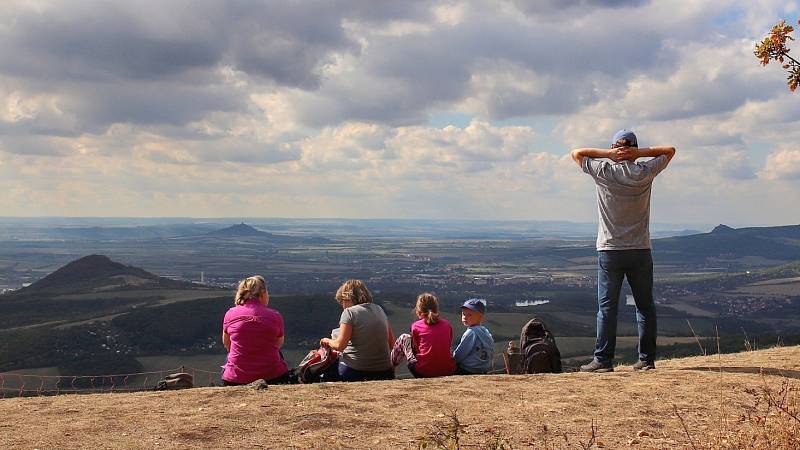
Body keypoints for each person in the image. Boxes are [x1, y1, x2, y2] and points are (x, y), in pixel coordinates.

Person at [570, 129, 676, 372]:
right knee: (645, 306)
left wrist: (609, 154)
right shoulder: (645, 172)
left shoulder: (604, 171)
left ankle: (603, 360)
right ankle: (647, 360)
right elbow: (670, 150)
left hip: (610, 249)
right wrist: (638, 154)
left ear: (614, 149)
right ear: (635, 149)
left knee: (607, 308)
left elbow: (576, 153)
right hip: (640, 249)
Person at [320, 279, 395, 381]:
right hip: (384, 370)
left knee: (326, 369)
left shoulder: (349, 313)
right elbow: (392, 343)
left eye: (342, 301)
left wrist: (327, 341)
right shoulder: (379, 309)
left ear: (347, 298)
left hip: (357, 370)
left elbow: (339, 346)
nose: (342, 305)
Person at [221, 275, 290, 385]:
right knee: (277, 353)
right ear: (263, 293)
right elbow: (278, 344)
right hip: (273, 375)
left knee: (230, 356)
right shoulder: (275, 316)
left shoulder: (230, 314)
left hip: (235, 378)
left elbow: (227, 343)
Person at [391, 293, 456, 378]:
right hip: (448, 370)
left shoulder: (415, 326)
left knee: (404, 338)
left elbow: (417, 349)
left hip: (423, 371)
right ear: (436, 309)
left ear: (418, 311)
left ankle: (390, 366)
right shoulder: (447, 325)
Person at [452, 298, 494, 374]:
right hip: (482, 368)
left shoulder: (471, 332)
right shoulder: (485, 331)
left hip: (468, 369)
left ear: (480, 317)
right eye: (463, 314)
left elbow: (460, 353)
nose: (465, 317)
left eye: (469, 315)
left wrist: (452, 360)